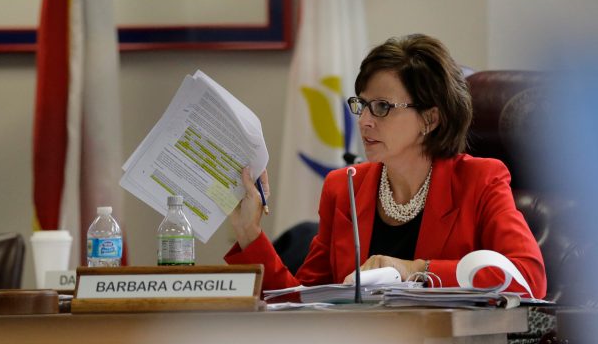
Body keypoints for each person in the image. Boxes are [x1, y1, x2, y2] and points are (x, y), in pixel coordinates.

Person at [225, 33, 546, 298]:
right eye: (361, 105)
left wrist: (417, 269)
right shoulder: (344, 187)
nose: (363, 121)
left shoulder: (480, 180)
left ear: (430, 118)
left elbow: (529, 279)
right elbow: (301, 303)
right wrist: (250, 234)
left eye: (381, 107)